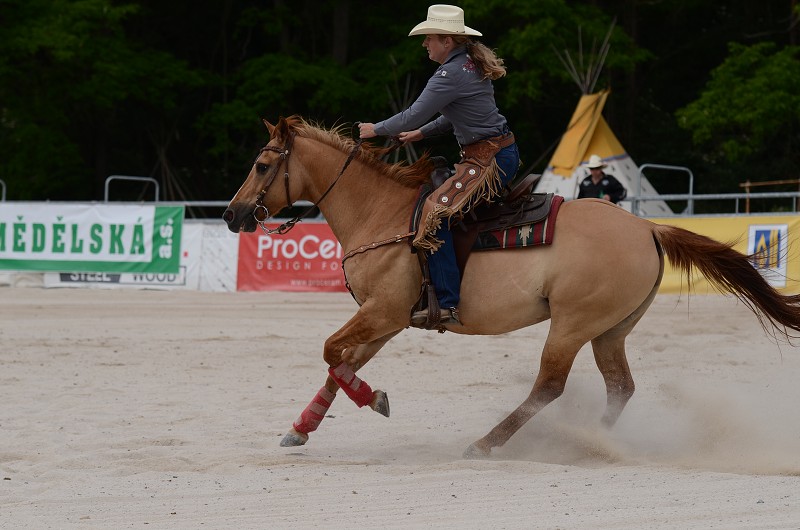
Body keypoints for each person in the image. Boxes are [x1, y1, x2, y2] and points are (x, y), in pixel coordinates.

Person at [359, 4, 520, 326]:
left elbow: (412, 114)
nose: (424, 44)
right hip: (494, 154)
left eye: (429, 38)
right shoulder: (469, 65)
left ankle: (447, 303)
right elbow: (453, 114)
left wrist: (375, 129)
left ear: (447, 41)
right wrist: (422, 133)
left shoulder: (449, 73)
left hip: (488, 160)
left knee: (434, 214)